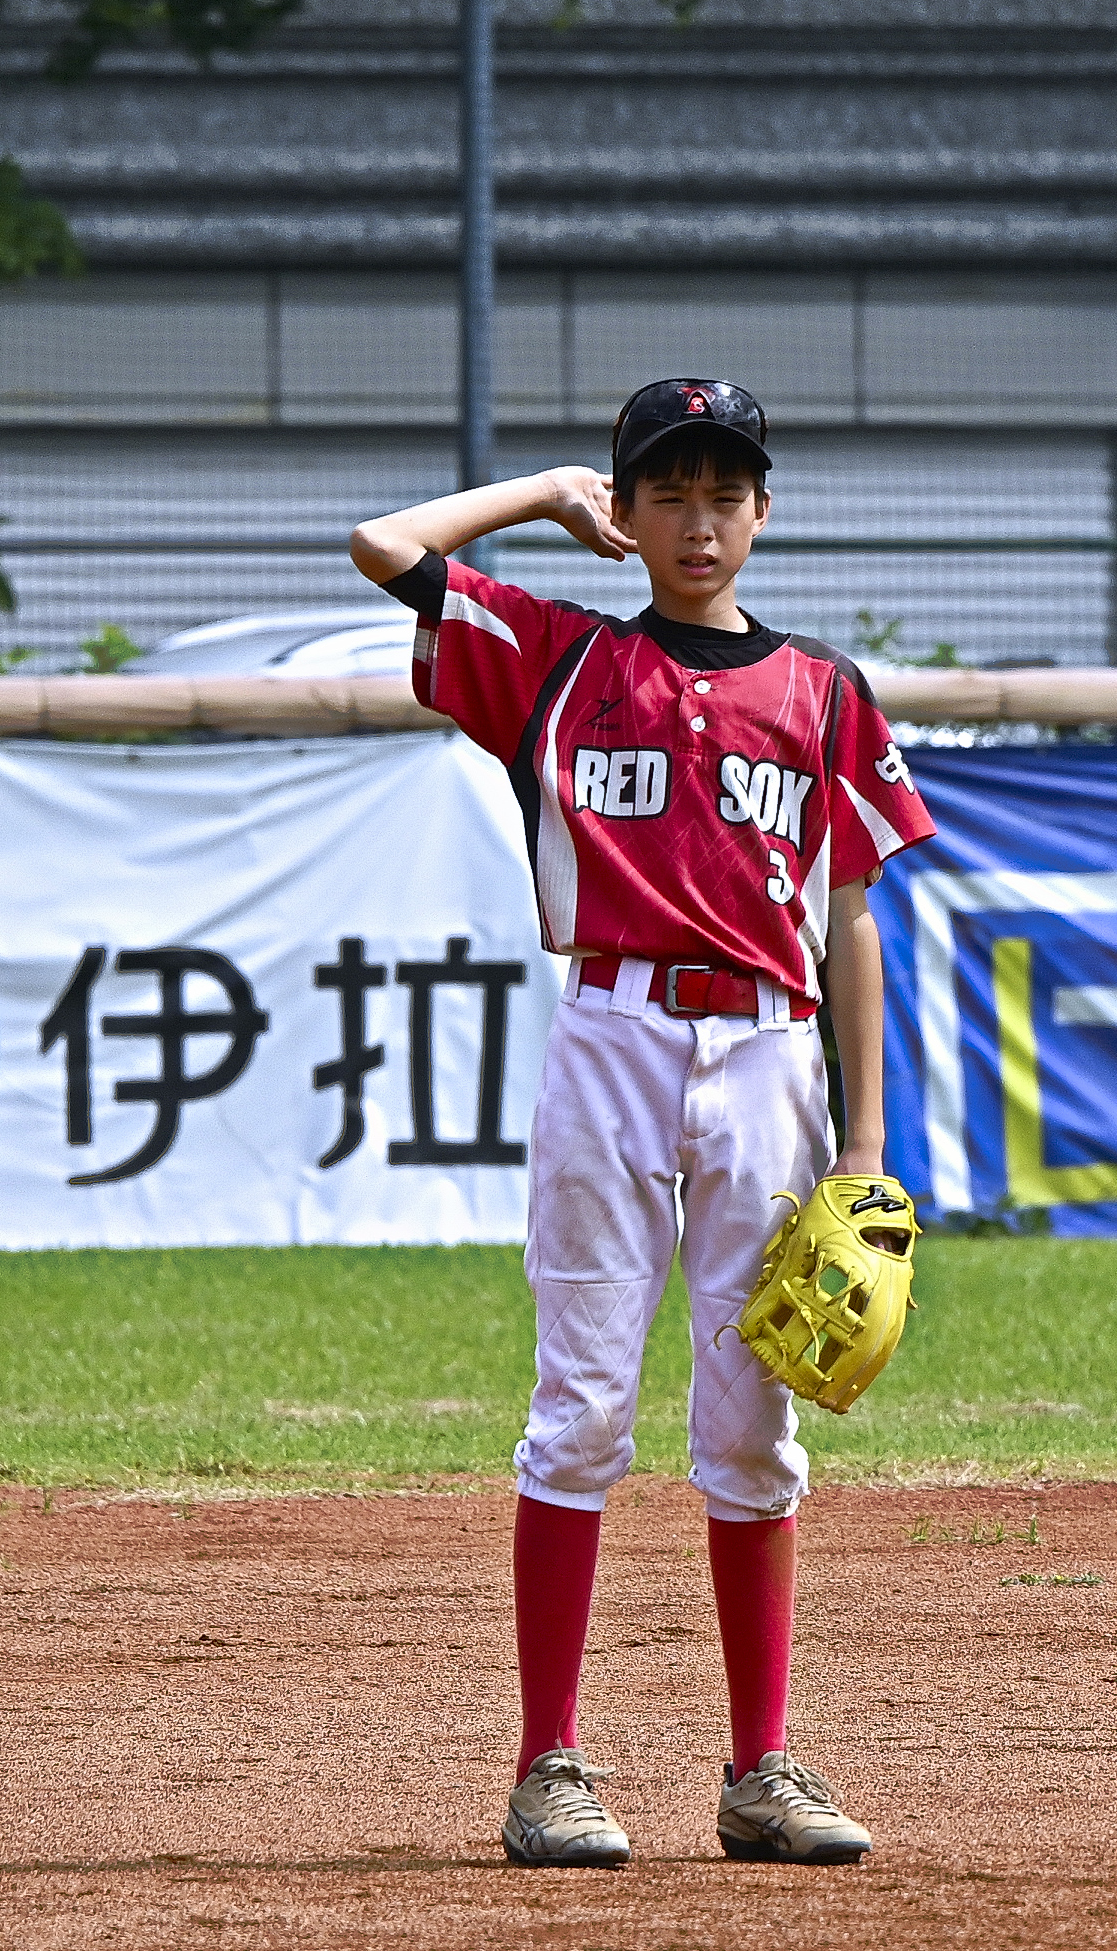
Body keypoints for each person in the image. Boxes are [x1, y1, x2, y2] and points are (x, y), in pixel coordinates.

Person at [347, 378, 936, 1869]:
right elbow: (380, 543)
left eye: (725, 489)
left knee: (756, 1419)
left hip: (767, 1051)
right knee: (582, 1405)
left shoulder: (820, 691)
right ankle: (548, 1763)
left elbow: (852, 918)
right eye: (665, 490)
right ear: (630, 510)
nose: (698, 518)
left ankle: (762, 1770)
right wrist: (544, 493)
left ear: (763, 510)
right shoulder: (559, 659)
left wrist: (864, 1149)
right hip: (607, 1030)